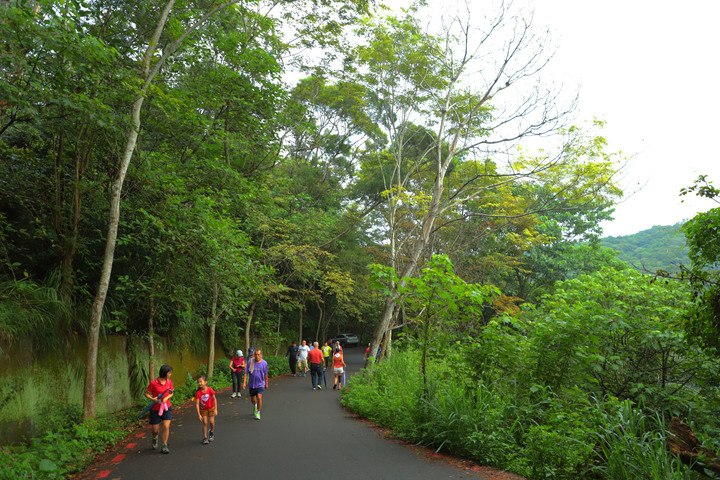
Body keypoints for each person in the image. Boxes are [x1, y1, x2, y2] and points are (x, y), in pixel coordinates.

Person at [145, 364, 174, 454]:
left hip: (166, 407)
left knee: (166, 426)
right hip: (155, 408)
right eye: (169, 373)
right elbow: (147, 393)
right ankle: (154, 438)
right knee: (155, 430)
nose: (170, 374)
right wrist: (153, 399)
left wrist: (167, 397)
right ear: (164, 373)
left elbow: (171, 393)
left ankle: (164, 445)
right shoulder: (153, 383)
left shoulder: (169, 382)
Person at [242, 348, 269, 420]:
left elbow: (266, 374)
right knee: (253, 400)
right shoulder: (250, 362)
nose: (257, 356)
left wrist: (266, 383)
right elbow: (246, 372)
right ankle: (255, 406)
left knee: (259, 397)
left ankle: (258, 412)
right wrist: (244, 382)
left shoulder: (264, 363)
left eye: (258, 354)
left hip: (260, 383)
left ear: (261, 355)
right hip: (252, 384)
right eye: (256, 354)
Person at [195, 375, 217, 445]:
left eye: (201, 381)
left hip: (211, 408)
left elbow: (214, 399)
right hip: (203, 409)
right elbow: (197, 404)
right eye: (198, 382)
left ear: (205, 382)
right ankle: (205, 437)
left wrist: (216, 409)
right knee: (205, 422)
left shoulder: (210, 390)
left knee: (211, 422)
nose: (199, 383)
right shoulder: (198, 393)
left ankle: (211, 431)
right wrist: (199, 414)